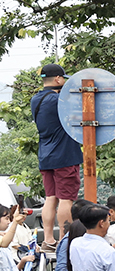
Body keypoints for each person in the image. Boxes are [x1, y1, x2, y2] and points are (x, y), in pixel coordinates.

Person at [30, 63, 83, 244]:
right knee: (66, 199)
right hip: (65, 156)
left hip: (45, 156)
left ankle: (48, 240)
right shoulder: (60, 100)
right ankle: (64, 239)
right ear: (58, 79)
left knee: (50, 198)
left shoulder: (35, 100)